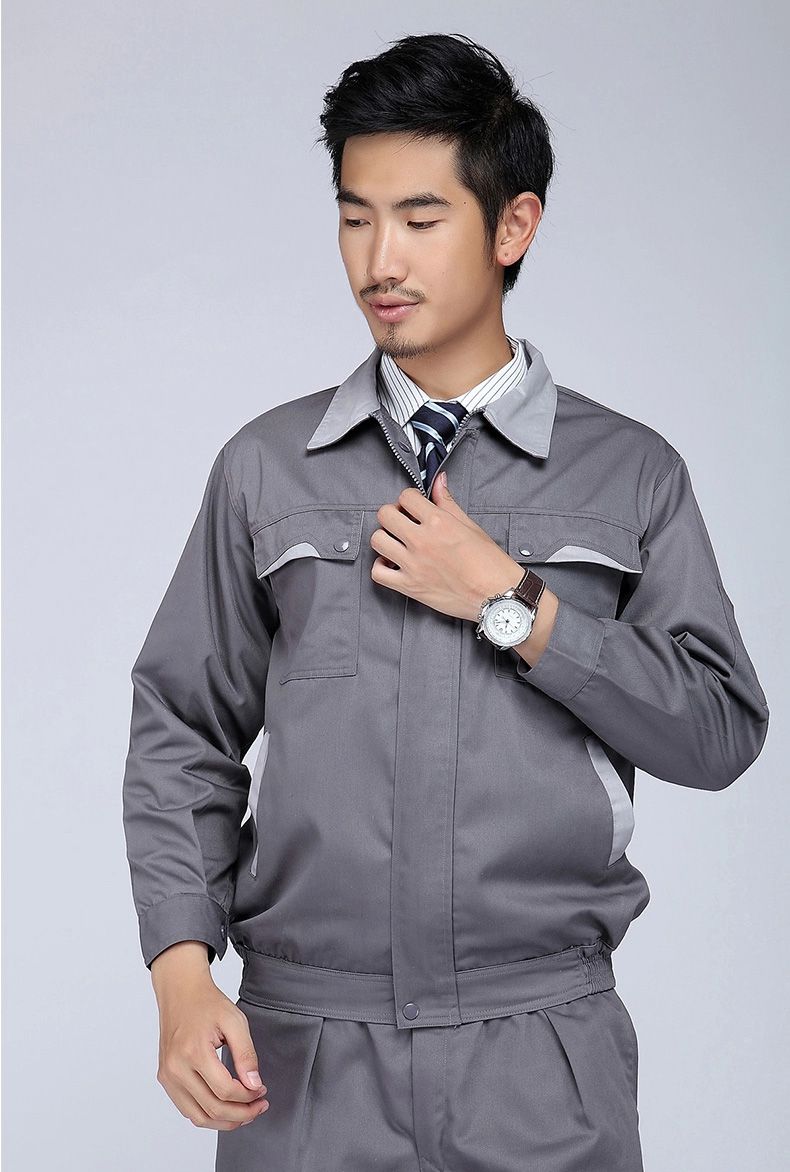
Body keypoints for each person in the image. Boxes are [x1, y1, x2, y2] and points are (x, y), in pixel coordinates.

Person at [122, 32, 770, 1172]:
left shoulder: (631, 476)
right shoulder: (266, 469)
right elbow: (183, 724)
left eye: (420, 219)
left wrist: (513, 602)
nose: (380, 259)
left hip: (540, 1054)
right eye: (354, 217)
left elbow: (716, 731)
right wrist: (181, 972)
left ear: (512, 226)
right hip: (305, 1057)